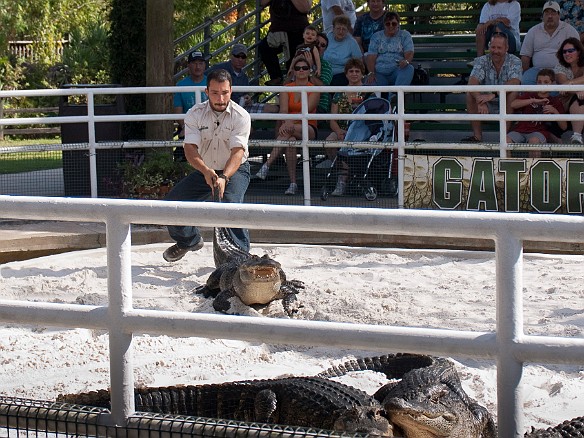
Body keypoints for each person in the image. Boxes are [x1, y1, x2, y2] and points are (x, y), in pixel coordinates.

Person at [163, 69, 251, 262]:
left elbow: (238, 153)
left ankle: (240, 260)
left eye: (225, 93)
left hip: (235, 171)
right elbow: (190, 149)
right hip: (206, 169)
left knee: (231, 206)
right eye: (215, 93)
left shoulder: (241, 116)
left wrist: (225, 177)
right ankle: (189, 240)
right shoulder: (194, 114)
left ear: (231, 91)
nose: (220, 98)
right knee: (171, 205)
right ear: (206, 92)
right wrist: (205, 171)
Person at [254, 57, 320, 195]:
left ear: (309, 71)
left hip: (307, 127)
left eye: (304, 68)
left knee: (287, 133)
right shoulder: (286, 88)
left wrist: (289, 122)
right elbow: (283, 110)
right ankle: (293, 183)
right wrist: (288, 122)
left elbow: (306, 110)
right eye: (297, 68)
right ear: (293, 71)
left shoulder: (314, 89)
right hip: (289, 127)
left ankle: (267, 165)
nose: (301, 70)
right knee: (290, 142)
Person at [463, 32, 522, 142]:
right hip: (486, 103)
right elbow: (472, 81)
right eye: (493, 47)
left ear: (506, 48)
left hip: (507, 102)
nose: (495, 51)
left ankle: (504, 137)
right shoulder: (482, 60)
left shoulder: (515, 61)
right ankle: (477, 137)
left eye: (499, 47)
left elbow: (515, 81)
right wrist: (479, 100)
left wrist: (494, 94)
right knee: (469, 94)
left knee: (513, 92)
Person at [325, 58, 368, 195]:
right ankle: (342, 172)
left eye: (357, 71)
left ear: (362, 74)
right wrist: (338, 131)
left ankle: (341, 182)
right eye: (351, 71)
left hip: (361, 131)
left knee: (345, 146)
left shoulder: (369, 92)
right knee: (329, 143)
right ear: (346, 74)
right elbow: (332, 119)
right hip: (341, 129)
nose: (354, 74)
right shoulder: (339, 93)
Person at [506, 69, 567, 157]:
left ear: (552, 83)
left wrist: (554, 111)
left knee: (534, 142)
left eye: (546, 82)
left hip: (539, 132)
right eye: (539, 82)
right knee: (506, 140)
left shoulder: (555, 101)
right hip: (520, 130)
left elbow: (564, 126)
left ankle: (532, 169)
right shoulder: (529, 95)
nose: (542, 85)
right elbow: (513, 104)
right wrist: (533, 100)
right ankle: (507, 166)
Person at [520, 0, 579, 85]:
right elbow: (525, 56)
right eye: (547, 13)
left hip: (561, 70)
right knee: (526, 81)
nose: (550, 16)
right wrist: (525, 72)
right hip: (537, 69)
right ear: (542, 16)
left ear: (559, 15)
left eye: (553, 13)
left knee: (557, 90)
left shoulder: (569, 30)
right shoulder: (533, 31)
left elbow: (577, 54)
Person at [258, 0, 311, 86]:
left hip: (297, 30)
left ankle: (293, 89)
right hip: (277, 31)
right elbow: (262, 2)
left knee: (293, 64)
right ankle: (276, 77)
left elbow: (305, 8)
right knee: (264, 48)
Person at [365, 12, 414, 92]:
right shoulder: (376, 36)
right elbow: (371, 57)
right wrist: (371, 73)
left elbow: (409, 52)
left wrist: (406, 61)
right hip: (379, 73)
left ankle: (395, 96)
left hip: (397, 70)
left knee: (409, 69)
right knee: (369, 85)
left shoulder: (405, 35)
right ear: (384, 25)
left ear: (398, 24)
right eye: (388, 24)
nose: (391, 26)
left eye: (394, 24)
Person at [554, 37, 584, 143]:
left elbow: (567, 84)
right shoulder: (560, 67)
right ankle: (576, 136)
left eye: (570, 51)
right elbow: (563, 85)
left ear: (579, 52)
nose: (567, 54)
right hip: (565, 102)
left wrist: (571, 83)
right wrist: (577, 90)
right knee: (580, 98)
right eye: (564, 51)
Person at [174, 51, 208, 139]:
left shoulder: (212, 83)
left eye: (200, 63)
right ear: (188, 65)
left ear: (205, 65)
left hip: (210, 126)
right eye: (194, 63)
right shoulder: (180, 85)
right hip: (188, 126)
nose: (198, 67)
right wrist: (185, 127)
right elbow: (178, 112)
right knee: (181, 149)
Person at [323, 15, 362, 86]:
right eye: (338, 28)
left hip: (342, 74)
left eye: (343, 29)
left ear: (347, 30)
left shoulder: (352, 42)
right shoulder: (326, 38)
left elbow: (359, 62)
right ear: (333, 28)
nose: (341, 31)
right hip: (324, 72)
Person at [313, 32, 334, 114]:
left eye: (322, 45)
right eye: (316, 43)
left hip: (319, 106)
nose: (318, 46)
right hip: (296, 104)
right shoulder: (298, 60)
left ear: (325, 49)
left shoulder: (326, 65)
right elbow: (286, 84)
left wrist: (309, 70)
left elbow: (322, 87)